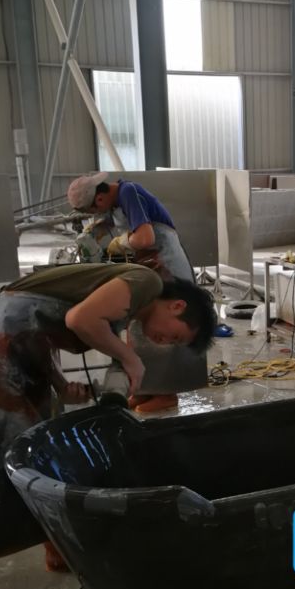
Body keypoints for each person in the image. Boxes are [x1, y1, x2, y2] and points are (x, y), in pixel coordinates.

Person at [0, 262, 216, 589]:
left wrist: (61, 385)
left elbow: (37, 329)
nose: (164, 342)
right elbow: (79, 319)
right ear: (177, 306)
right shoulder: (147, 282)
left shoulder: (127, 310)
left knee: (43, 452)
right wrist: (130, 358)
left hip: (18, 349)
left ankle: (55, 545)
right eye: (175, 336)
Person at [68, 175, 200, 415]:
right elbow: (111, 226)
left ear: (100, 198)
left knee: (161, 329)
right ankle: (144, 390)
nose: (96, 213)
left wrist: (122, 242)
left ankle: (166, 394)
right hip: (150, 264)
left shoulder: (128, 192)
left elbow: (145, 238)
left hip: (166, 264)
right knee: (140, 327)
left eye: (93, 210)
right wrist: (95, 231)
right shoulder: (116, 203)